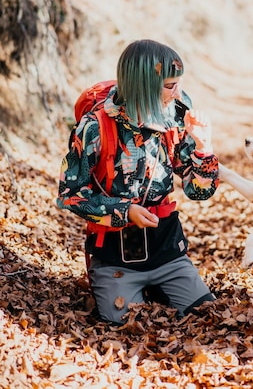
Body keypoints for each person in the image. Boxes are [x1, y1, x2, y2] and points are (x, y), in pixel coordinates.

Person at [57, 39, 219, 324]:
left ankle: (162, 287)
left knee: (205, 316)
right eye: (170, 85)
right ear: (144, 85)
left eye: (179, 83)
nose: (178, 92)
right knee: (124, 325)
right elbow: (70, 195)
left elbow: (197, 191)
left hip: (167, 250)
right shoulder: (94, 127)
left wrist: (204, 150)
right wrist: (124, 211)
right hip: (114, 257)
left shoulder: (176, 115)